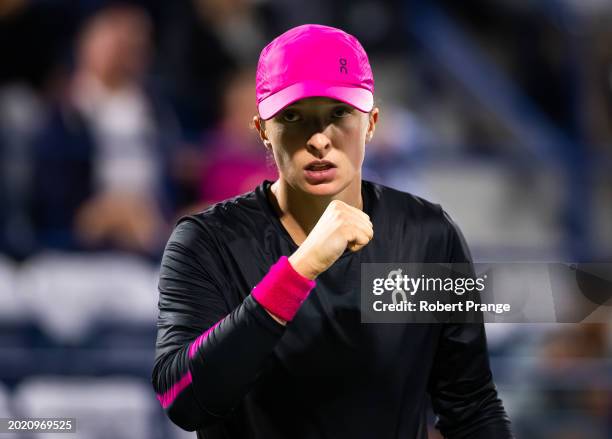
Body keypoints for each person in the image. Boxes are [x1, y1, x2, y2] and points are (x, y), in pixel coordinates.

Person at [152, 24, 513, 438]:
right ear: (262, 132)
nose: (319, 139)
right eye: (293, 117)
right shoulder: (206, 241)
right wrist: (299, 270)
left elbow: (470, 405)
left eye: (338, 113)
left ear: (372, 123)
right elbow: (182, 398)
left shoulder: (425, 235)